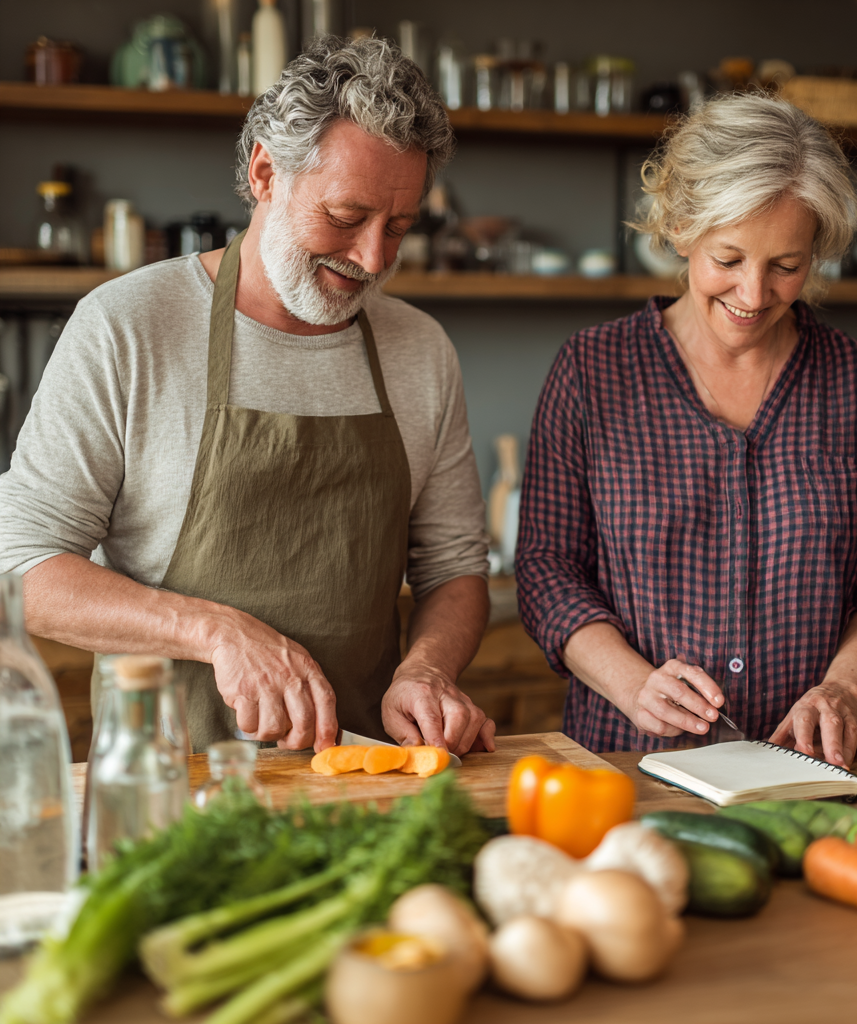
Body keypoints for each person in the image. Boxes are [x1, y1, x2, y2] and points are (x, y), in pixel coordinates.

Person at [0, 37, 495, 756]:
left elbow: (454, 569)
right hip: (168, 786)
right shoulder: (130, 325)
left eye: (399, 227)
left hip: (365, 779)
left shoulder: (420, 348)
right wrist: (213, 630)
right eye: (347, 215)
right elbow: (22, 561)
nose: (373, 258)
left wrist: (427, 668)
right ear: (266, 172)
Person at [516, 93, 857, 768]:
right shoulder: (593, 370)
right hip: (627, 769)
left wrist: (847, 685)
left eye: (786, 266)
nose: (755, 293)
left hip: (807, 772)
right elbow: (547, 570)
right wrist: (630, 683)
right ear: (681, 229)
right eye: (729, 259)